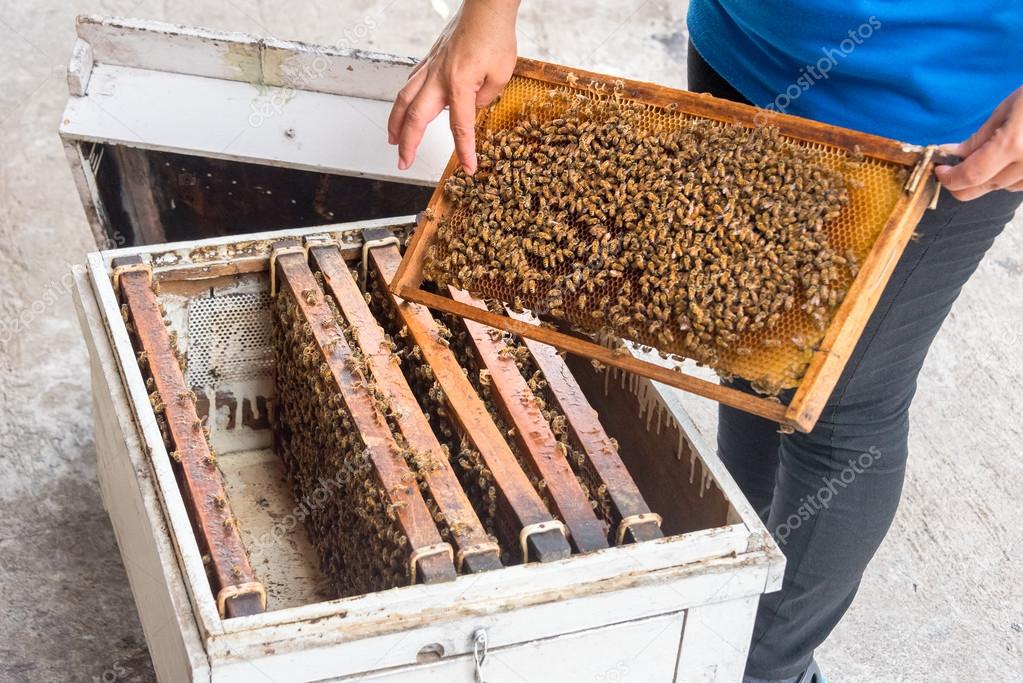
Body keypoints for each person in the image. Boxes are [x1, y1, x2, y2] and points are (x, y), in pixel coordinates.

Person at [387, 2, 1023, 681]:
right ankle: (726, 609)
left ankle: (758, 668)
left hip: (944, 113)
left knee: (841, 412)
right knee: (749, 355)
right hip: (748, 47)